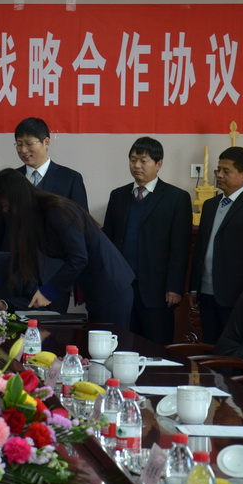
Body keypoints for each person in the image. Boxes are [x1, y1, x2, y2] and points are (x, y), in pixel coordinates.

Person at [0, 168, 134, 328]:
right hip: (95, 288)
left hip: (111, 286)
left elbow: (79, 258)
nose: (6, 211)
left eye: (6, 205)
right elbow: (20, 256)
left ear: (18, 197)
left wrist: (48, 292)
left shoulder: (56, 211)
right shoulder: (35, 218)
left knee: (111, 339)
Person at [0, 117, 88, 313]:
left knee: (52, 330)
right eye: (19, 144)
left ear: (46, 142)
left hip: (54, 278)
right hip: (15, 277)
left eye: (29, 144)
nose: (23, 150)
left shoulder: (70, 179)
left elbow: (81, 231)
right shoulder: (10, 180)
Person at [103, 137, 192, 346]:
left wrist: (175, 287)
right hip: (122, 287)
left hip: (157, 289)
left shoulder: (176, 198)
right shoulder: (118, 196)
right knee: (122, 345)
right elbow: (108, 243)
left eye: (143, 161)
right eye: (133, 160)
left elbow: (180, 247)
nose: (136, 166)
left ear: (159, 164)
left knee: (156, 348)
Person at [190, 147, 243, 344]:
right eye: (218, 170)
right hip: (206, 292)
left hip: (237, 295)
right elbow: (201, 247)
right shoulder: (210, 205)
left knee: (232, 349)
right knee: (209, 347)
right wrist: (194, 287)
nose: (219, 175)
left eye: (226, 171)